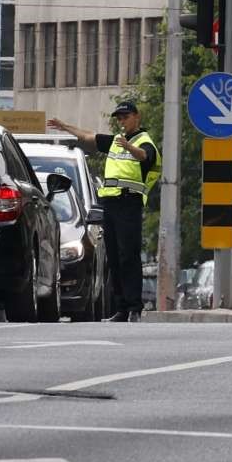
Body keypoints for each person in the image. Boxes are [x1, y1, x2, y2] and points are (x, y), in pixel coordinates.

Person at [48, 101, 162, 323]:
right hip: (110, 204)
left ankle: (134, 307)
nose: (122, 121)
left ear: (137, 117)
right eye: (119, 118)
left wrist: (128, 146)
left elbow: (143, 156)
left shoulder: (144, 141)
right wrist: (64, 127)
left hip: (129, 202)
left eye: (125, 116)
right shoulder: (115, 142)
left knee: (129, 255)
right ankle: (121, 307)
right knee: (115, 257)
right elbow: (89, 136)